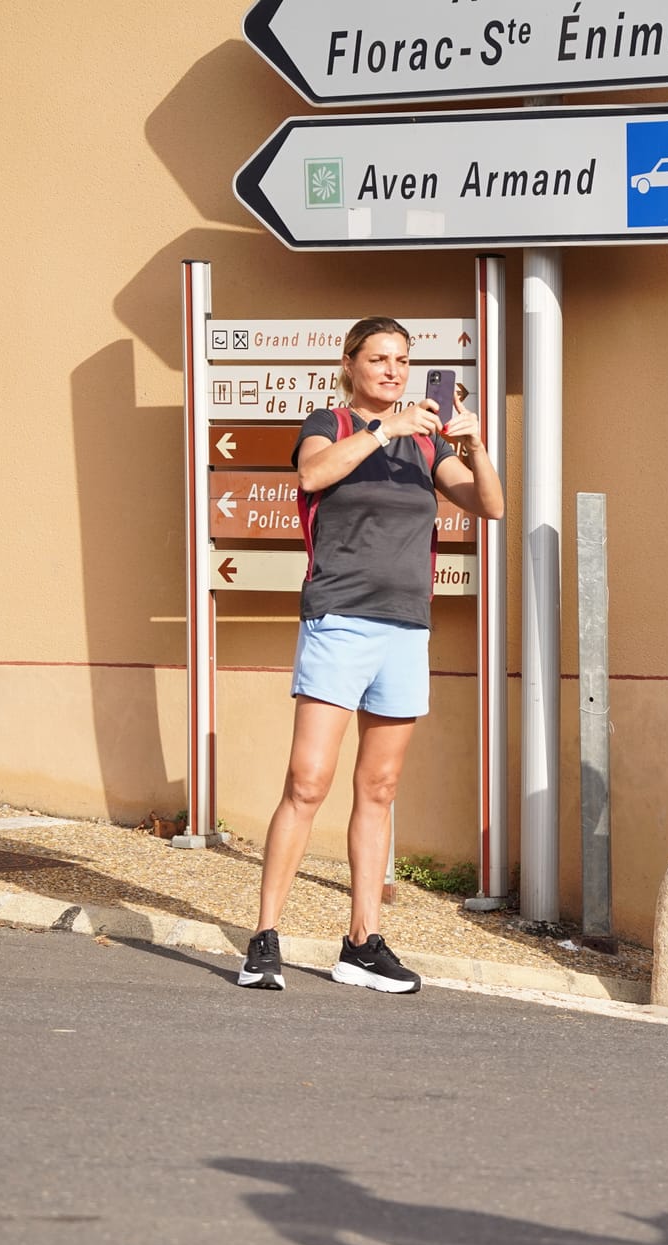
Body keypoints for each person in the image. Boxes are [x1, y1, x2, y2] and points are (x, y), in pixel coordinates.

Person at [236, 318, 504, 993]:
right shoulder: (328, 422)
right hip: (339, 622)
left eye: (402, 360)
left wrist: (475, 449)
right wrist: (382, 429)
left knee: (378, 789)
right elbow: (311, 472)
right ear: (351, 363)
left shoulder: (423, 443)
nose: (392, 370)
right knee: (308, 781)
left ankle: (361, 941)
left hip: (405, 629)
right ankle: (264, 936)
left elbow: (490, 506)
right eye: (379, 358)